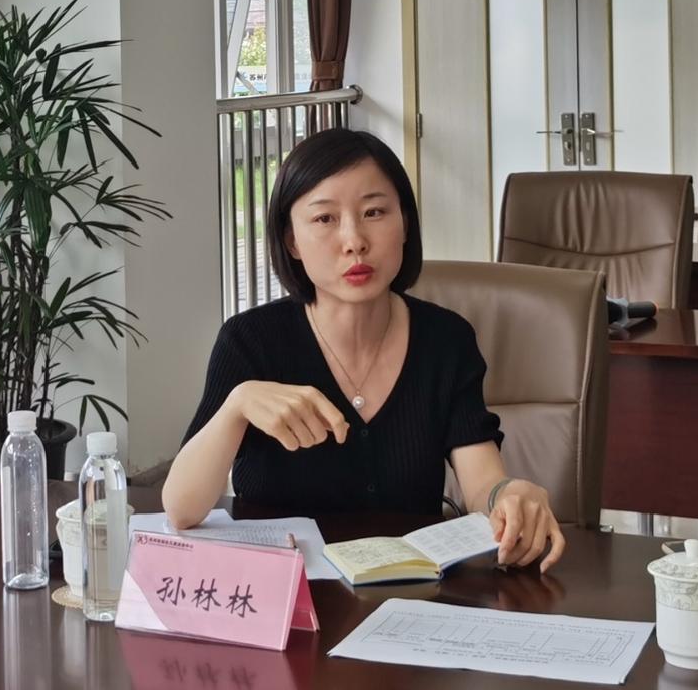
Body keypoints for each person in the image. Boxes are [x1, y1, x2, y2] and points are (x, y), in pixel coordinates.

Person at [162, 128, 565, 573]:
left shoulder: (445, 339)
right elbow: (181, 510)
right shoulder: (249, 340)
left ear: (405, 223)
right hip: (286, 597)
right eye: (325, 219)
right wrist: (237, 407)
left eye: (374, 212)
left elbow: (482, 483)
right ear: (292, 241)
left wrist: (508, 494)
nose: (354, 240)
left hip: (410, 595)